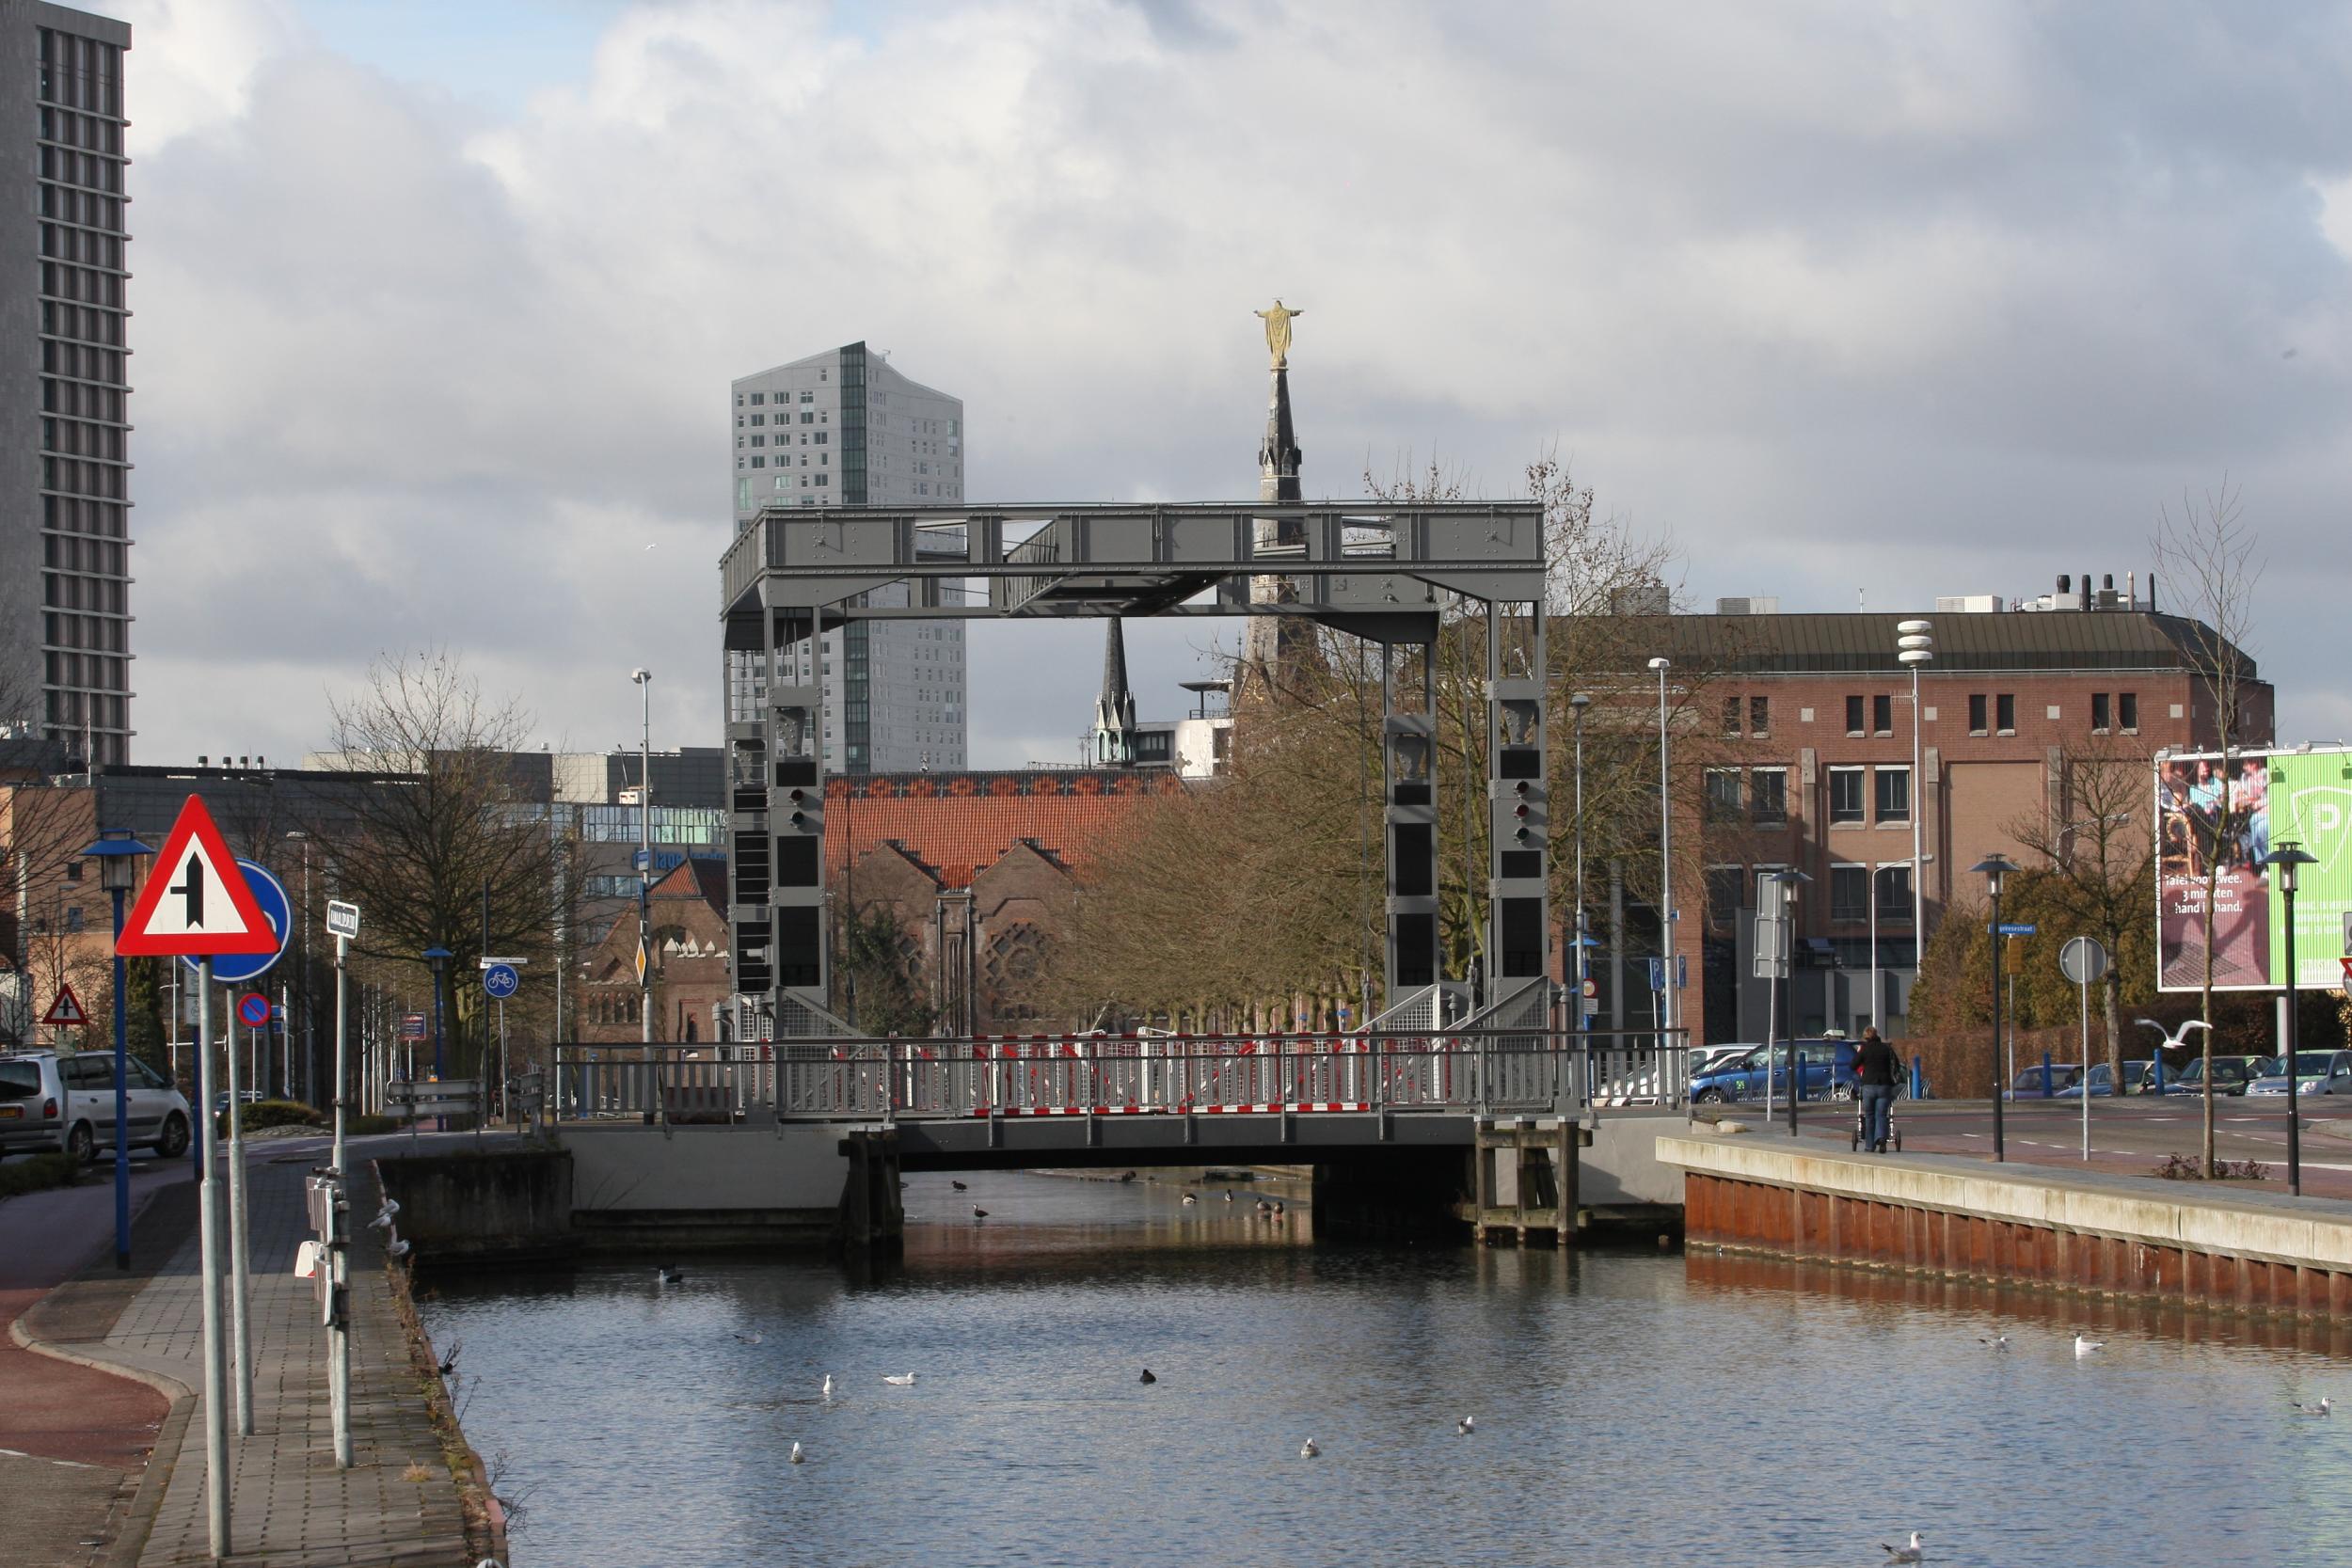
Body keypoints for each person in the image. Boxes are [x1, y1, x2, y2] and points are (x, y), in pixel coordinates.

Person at [1855, 1026, 1899, 1152]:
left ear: (1865, 1037)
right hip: (1884, 1085)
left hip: (1869, 1085)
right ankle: (1881, 1138)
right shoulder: (1886, 1048)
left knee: (1869, 1115)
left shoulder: (1864, 1049)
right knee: (1881, 1114)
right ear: (1877, 1035)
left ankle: (1869, 1146)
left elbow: (1853, 1064)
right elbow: (1896, 1064)